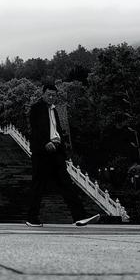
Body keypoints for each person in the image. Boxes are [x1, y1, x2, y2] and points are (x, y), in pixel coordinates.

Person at [25, 83, 100, 227]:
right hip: (42, 152)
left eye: (54, 95)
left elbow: (56, 129)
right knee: (38, 184)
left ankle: (79, 217)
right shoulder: (36, 108)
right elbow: (34, 129)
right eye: (49, 95)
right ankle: (31, 218)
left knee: (67, 183)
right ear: (43, 94)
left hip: (56, 151)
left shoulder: (55, 110)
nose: (51, 97)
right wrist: (44, 143)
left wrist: (61, 146)